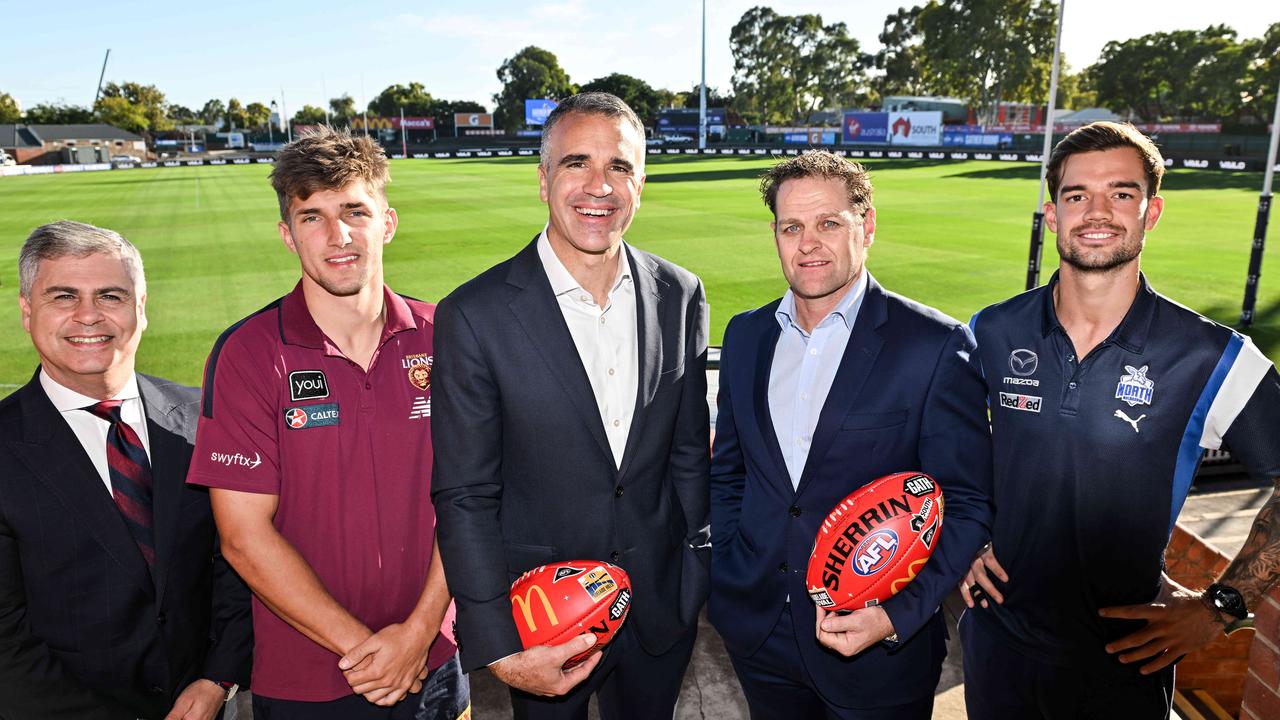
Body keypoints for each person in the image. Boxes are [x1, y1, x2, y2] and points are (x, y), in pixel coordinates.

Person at [961, 121, 1280, 718]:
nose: (1097, 212)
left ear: (1151, 211)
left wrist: (1222, 607)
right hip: (995, 647)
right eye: (1077, 195)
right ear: (1052, 214)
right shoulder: (992, 330)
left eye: (1122, 193)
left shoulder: (1214, 357)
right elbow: (942, 446)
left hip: (1124, 664)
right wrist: (963, 540)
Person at [431, 91, 710, 719]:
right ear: (542, 179)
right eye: (576, 163)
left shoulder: (681, 294)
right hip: (543, 622)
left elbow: (689, 452)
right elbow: (465, 493)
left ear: (642, 183)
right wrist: (498, 643)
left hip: (659, 610)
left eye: (620, 167)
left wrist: (694, 573)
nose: (598, 186)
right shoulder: (473, 315)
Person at [186, 128, 468, 719]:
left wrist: (416, 634)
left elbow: (469, 502)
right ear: (288, 235)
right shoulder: (248, 353)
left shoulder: (446, 336)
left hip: (434, 663)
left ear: (386, 222)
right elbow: (243, 536)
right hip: (308, 682)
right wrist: (370, 653)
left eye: (353, 211)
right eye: (312, 216)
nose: (337, 236)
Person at [708, 150, 994, 719]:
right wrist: (728, 571)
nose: (807, 243)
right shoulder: (745, 335)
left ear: (867, 226)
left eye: (828, 223)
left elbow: (967, 503)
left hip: (878, 654)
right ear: (775, 235)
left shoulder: (934, 345)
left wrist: (896, 616)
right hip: (758, 633)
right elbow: (730, 473)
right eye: (792, 226)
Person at [0, 220, 252, 719]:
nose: (88, 316)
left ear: (141, 308)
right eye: (64, 296)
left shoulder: (206, 419)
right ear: (28, 312)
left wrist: (216, 678)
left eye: (110, 296)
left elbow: (240, 565)